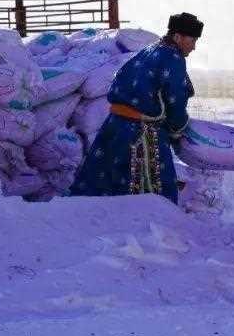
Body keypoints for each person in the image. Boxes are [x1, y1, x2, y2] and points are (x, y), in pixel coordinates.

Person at [69, 12, 203, 204]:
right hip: (140, 131)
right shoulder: (173, 58)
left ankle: (89, 219)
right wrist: (177, 129)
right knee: (152, 190)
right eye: (192, 40)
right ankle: (146, 227)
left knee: (100, 179)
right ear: (177, 37)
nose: (194, 47)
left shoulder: (151, 49)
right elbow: (175, 98)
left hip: (114, 126)